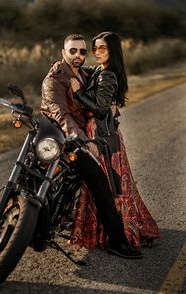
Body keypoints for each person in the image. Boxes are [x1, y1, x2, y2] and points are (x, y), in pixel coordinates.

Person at [41, 34, 143, 259]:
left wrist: (112, 108)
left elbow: (102, 100)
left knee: (101, 186)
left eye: (83, 51)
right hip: (66, 138)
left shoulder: (88, 73)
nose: (79, 55)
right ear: (63, 52)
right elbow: (61, 114)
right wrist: (80, 137)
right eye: (73, 51)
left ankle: (117, 241)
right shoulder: (55, 79)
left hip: (84, 139)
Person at [70, 31, 160, 250]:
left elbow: (101, 110)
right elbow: (85, 72)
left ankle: (116, 234)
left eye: (103, 48)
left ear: (113, 50)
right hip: (98, 132)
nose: (97, 52)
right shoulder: (100, 71)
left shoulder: (108, 75)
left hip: (101, 135)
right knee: (103, 183)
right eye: (95, 49)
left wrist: (78, 92)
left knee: (107, 184)